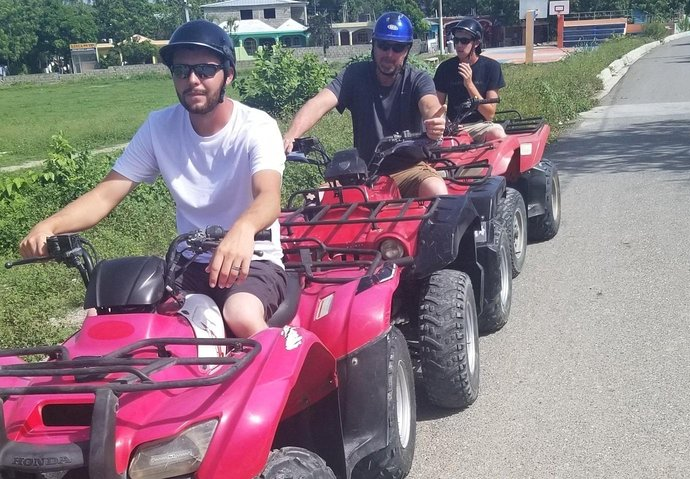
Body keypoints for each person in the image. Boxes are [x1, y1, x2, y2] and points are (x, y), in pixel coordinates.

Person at [19, 20, 287, 339]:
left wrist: (243, 229)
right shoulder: (160, 127)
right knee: (107, 315)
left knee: (240, 315)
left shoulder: (256, 126)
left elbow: (268, 196)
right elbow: (106, 194)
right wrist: (49, 226)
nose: (192, 80)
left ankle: (283, 368)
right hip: (188, 265)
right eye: (181, 71)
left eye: (204, 70)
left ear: (228, 74)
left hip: (251, 260)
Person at [283, 12, 448, 197]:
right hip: (362, 171)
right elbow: (319, 103)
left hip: (408, 168)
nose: (389, 54)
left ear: (407, 50)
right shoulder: (354, 75)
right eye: (383, 45)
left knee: (436, 190)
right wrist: (291, 136)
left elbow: (430, 105)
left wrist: (436, 121)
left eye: (397, 47)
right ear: (374, 45)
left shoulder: (417, 79)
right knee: (315, 199)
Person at [434, 17, 507, 143]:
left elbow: (489, 114)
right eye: (456, 40)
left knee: (498, 133)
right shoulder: (445, 68)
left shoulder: (491, 67)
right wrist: (447, 124)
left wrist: (469, 84)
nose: (458, 45)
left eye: (464, 41)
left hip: (479, 126)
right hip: (453, 127)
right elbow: (437, 107)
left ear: (476, 43)